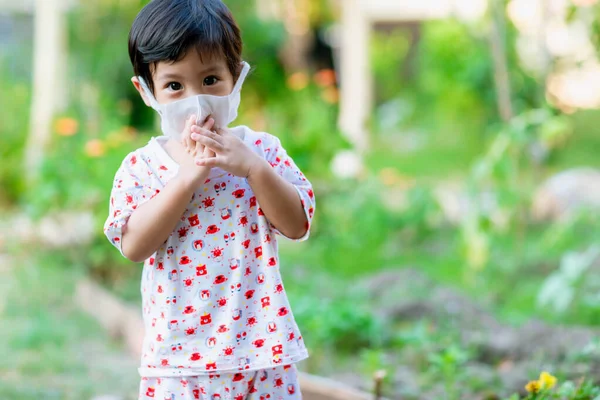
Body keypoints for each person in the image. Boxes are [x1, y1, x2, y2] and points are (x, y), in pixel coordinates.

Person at [103, 1, 315, 398]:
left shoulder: (261, 152)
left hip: (261, 352)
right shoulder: (143, 167)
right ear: (146, 90)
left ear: (236, 76)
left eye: (211, 79)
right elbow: (132, 245)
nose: (196, 100)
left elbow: (297, 224)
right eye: (174, 86)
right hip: (178, 361)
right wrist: (186, 179)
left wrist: (254, 169)